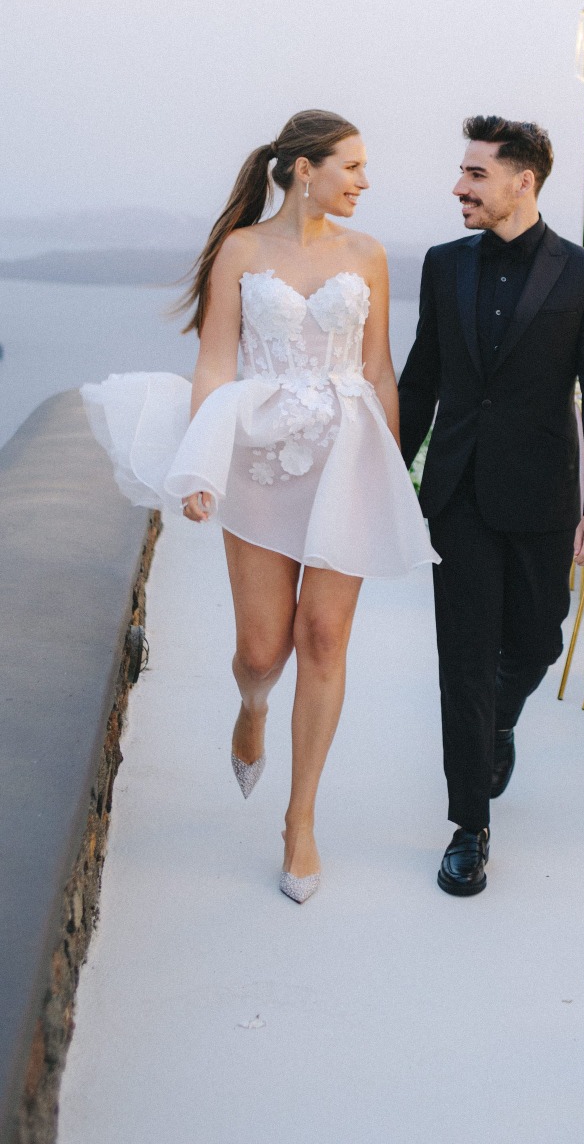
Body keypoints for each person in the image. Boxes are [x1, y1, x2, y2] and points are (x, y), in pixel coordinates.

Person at [82, 109, 435, 903]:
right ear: (305, 169)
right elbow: (213, 363)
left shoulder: (369, 255)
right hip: (260, 461)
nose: (365, 182)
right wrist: (200, 462)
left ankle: (299, 820)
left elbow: (379, 371)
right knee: (264, 649)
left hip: (347, 457)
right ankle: (251, 707)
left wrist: (393, 468)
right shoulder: (242, 252)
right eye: (354, 166)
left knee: (323, 636)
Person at [399, 115, 584, 896]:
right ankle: (470, 826)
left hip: (541, 497)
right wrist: (388, 477)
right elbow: (420, 378)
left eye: (475, 174)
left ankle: (498, 722)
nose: (459, 187)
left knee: (535, 645)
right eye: (463, 173)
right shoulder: (442, 265)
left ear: (522, 182)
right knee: (462, 661)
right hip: (456, 493)